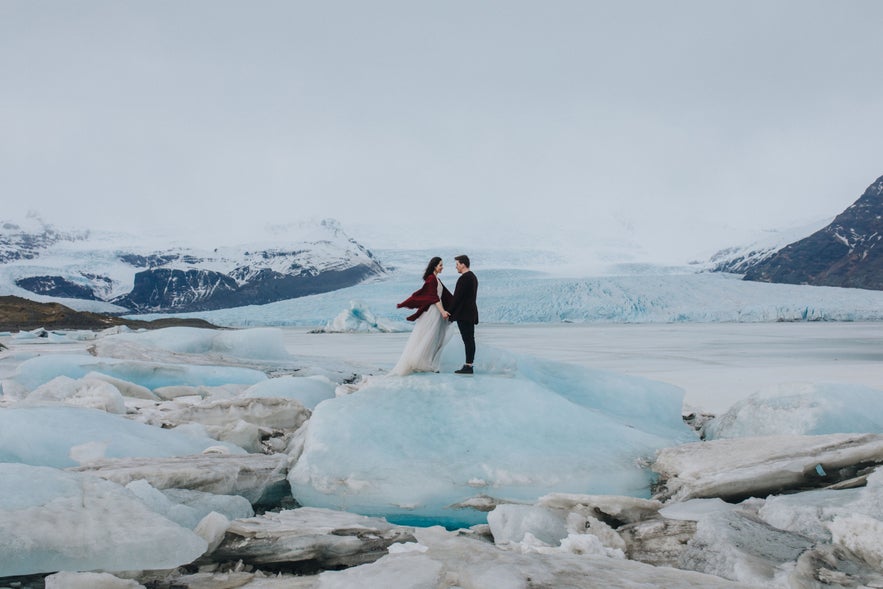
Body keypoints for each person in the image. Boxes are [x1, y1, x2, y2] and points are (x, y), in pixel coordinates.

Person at [390, 256, 454, 375]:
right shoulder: (431, 279)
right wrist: (443, 311)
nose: (442, 267)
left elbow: (444, 296)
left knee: (435, 337)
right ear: (434, 266)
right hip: (433, 312)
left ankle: (428, 362)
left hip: (437, 311)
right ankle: (421, 362)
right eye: (440, 265)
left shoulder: (436, 279)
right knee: (429, 336)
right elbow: (434, 298)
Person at [448, 254, 478, 374]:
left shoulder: (464, 278)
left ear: (463, 264)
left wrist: (449, 312)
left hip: (464, 314)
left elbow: (457, 298)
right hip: (470, 313)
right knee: (470, 339)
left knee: (468, 339)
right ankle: (469, 364)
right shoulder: (473, 277)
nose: (456, 267)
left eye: (457, 264)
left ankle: (468, 366)